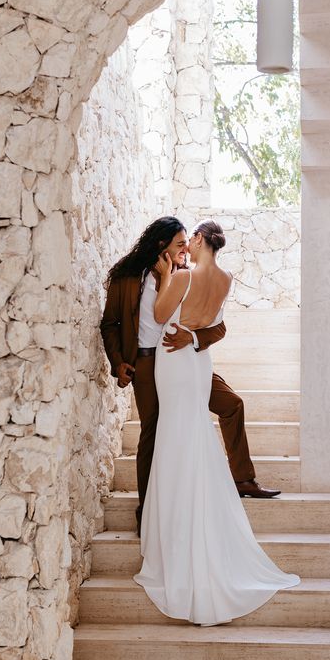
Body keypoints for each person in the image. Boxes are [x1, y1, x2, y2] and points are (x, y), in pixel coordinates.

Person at [133, 220, 299, 626]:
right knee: (192, 431)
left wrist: (167, 275)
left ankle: (172, 527)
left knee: (175, 431)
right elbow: (214, 324)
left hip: (174, 361)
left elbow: (158, 313)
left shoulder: (184, 275)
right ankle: (210, 504)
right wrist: (193, 336)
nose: (187, 243)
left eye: (191, 238)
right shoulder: (226, 279)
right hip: (196, 361)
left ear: (203, 240)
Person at [101, 216, 279, 536]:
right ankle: (149, 511)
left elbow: (217, 325)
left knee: (231, 404)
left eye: (187, 243)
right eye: (179, 244)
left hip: (182, 360)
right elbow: (110, 324)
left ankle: (243, 479)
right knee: (153, 436)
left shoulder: (185, 276)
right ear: (161, 246)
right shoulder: (128, 278)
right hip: (146, 365)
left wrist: (193, 339)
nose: (185, 249)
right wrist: (118, 362)